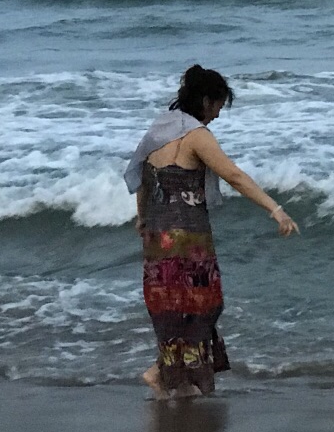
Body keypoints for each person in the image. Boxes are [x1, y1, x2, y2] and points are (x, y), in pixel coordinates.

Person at [124, 65, 298, 399]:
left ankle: (173, 379)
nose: (218, 114)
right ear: (206, 101)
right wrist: (275, 209)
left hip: (158, 236)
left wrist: (142, 218)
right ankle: (161, 373)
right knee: (204, 305)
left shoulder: (158, 130)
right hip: (188, 238)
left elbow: (143, 181)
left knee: (173, 308)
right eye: (218, 105)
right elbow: (234, 175)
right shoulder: (197, 136)